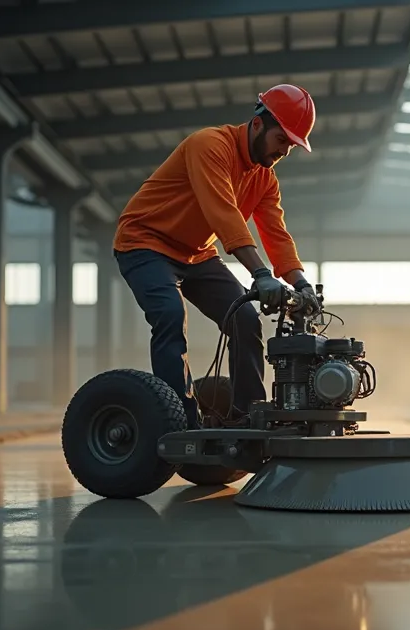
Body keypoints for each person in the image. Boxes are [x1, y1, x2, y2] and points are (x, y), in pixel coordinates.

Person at [112, 83, 323, 429]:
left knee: (244, 318)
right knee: (169, 313)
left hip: (196, 253)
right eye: (282, 140)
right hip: (144, 242)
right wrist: (260, 274)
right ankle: (179, 423)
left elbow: (276, 235)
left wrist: (300, 282)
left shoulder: (266, 180)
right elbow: (223, 214)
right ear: (258, 125)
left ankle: (249, 417)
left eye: (292, 145)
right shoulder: (209, 145)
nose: (285, 151)